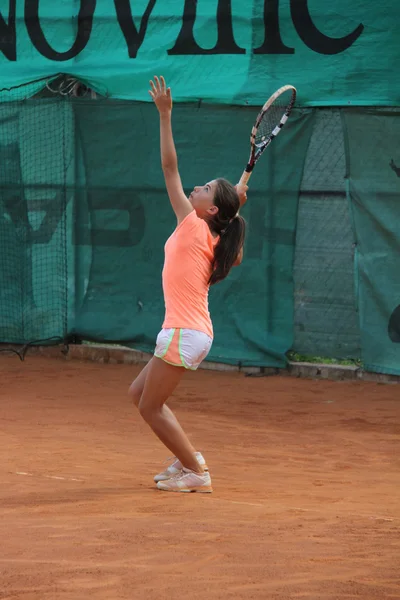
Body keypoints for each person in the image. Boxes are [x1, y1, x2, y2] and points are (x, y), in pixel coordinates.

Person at [128, 76, 248, 493]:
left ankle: (198, 472)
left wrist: (165, 115)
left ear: (210, 208)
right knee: (139, 394)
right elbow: (230, 208)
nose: (194, 187)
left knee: (150, 405)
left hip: (185, 331)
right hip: (188, 330)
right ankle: (188, 461)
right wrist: (234, 195)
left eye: (205, 189)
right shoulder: (215, 232)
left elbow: (169, 168)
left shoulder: (195, 224)